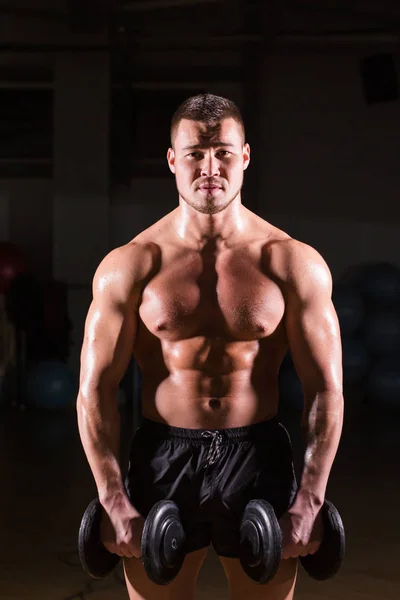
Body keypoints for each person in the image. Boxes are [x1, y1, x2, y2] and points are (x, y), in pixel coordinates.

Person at [77, 93, 344, 600]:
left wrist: (310, 499)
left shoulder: (291, 262)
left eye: (223, 152)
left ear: (244, 157)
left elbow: (325, 389)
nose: (210, 166)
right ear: (173, 161)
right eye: (195, 153)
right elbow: (94, 390)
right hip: (162, 457)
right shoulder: (131, 265)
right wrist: (112, 499)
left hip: (258, 456)